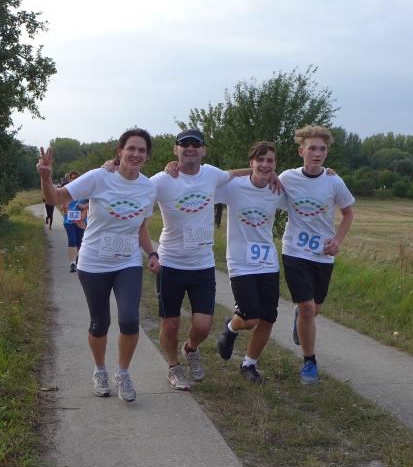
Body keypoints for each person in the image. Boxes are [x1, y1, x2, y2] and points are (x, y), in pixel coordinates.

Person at [37, 128, 160, 402]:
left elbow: (141, 226)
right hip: (93, 262)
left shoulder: (148, 187)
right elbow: (55, 198)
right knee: (100, 322)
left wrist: (151, 253)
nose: (136, 154)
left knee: (130, 320)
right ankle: (100, 370)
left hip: (128, 261)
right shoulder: (99, 177)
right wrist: (45, 177)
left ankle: (123, 373)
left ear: (147, 155)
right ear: (120, 151)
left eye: (142, 150)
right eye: (131, 148)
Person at [150, 129, 261, 391]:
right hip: (170, 263)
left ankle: (191, 348)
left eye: (196, 144)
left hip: (202, 265)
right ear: (176, 149)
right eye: (184, 144)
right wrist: (111, 167)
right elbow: (132, 185)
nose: (190, 148)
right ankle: (174, 367)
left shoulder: (211, 173)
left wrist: (265, 173)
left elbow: (235, 174)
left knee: (203, 325)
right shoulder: (162, 180)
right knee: (170, 323)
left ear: (203, 150)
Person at [280, 125, 355, 385]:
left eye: (322, 149)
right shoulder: (287, 178)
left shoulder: (334, 181)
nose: (317, 153)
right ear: (301, 151)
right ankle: (309, 362)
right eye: (312, 148)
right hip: (294, 250)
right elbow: (260, 178)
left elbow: (348, 213)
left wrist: (337, 240)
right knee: (308, 307)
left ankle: (301, 318)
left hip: (323, 253)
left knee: (315, 309)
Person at [214, 141, 287, 383]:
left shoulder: (278, 189)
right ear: (251, 162)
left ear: (275, 164)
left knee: (268, 318)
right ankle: (231, 327)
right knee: (250, 318)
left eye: (270, 161)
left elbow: (309, 191)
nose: (265, 165)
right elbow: (204, 181)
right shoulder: (234, 187)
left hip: (268, 261)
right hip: (240, 262)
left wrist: (328, 174)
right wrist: (173, 166)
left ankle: (249, 365)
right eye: (260, 160)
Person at [60, 171, 88, 272]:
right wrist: (65, 207)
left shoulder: (84, 192)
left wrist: (84, 206)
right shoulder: (65, 191)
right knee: (72, 240)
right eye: (72, 178)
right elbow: (63, 207)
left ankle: (79, 260)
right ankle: (72, 263)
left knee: (80, 242)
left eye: (76, 178)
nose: (74, 179)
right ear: (69, 179)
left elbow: (91, 203)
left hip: (82, 221)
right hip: (69, 221)